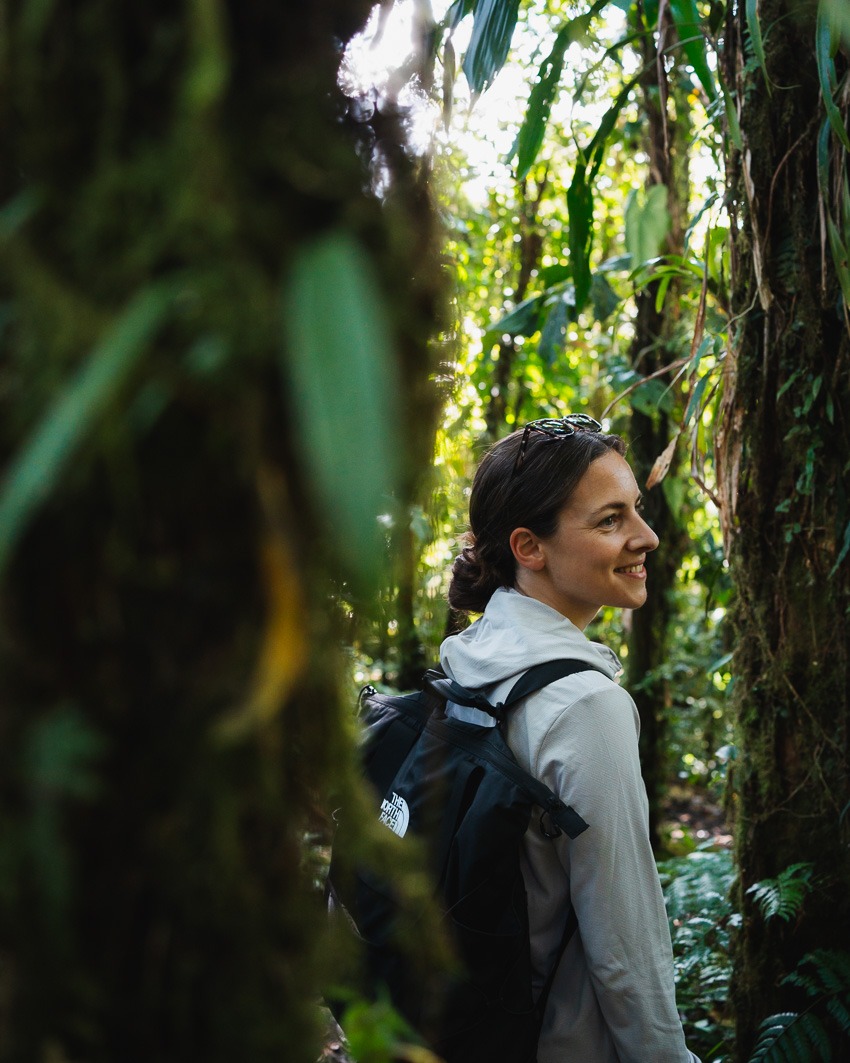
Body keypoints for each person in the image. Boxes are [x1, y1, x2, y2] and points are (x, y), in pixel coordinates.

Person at [439, 414, 700, 1063]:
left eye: (636, 508)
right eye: (611, 520)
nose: (649, 536)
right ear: (530, 546)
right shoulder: (585, 705)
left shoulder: (469, 658)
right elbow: (627, 952)